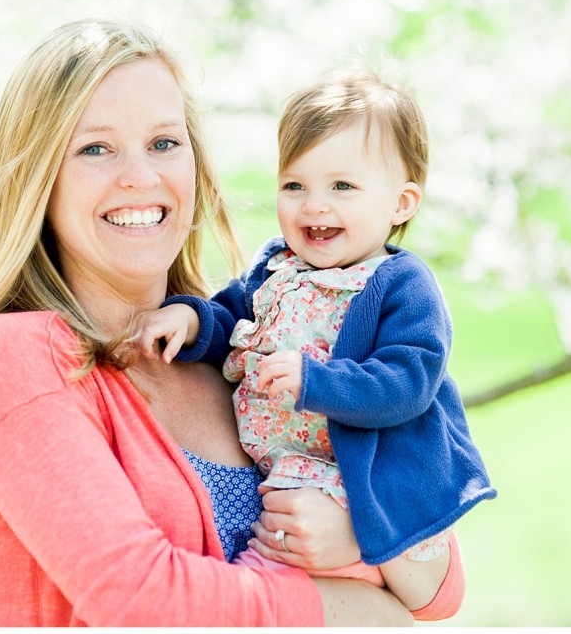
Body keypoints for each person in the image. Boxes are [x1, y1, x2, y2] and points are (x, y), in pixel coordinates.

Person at [0, 19, 458, 626]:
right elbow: (143, 601)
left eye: (164, 143)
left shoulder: (237, 345)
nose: (140, 176)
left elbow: (441, 582)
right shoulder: (11, 359)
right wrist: (368, 612)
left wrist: (352, 533)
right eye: (95, 148)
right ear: (38, 181)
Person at [131, 68, 496, 613]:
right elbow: (233, 316)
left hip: (358, 474)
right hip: (288, 468)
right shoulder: (277, 267)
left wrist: (316, 380)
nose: (314, 205)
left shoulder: (397, 285)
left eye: (342, 187)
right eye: (294, 185)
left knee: (267, 561)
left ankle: (332, 575)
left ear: (401, 203)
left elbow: (409, 381)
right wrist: (191, 321)